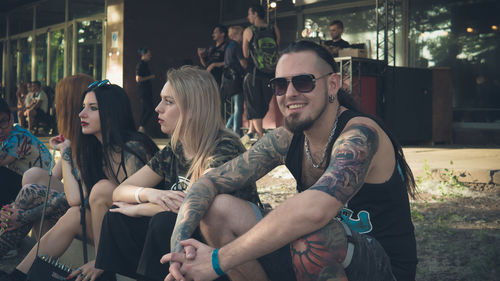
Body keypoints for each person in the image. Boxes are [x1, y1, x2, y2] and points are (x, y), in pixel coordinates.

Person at [162, 41, 418, 281]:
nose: (290, 93)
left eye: (304, 82)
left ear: (332, 85)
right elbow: (209, 182)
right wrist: (178, 250)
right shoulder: (288, 138)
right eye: (280, 85)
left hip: (382, 268)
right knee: (217, 208)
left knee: (315, 235)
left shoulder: (360, 134)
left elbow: (315, 210)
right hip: (311, 258)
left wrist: (217, 261)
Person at [95, 66, 261, 281]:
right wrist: (151, 194)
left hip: (224, 249)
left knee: (162, 221)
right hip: (185, 239)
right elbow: (120, 191)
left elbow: (194, 206)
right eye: (161, 100)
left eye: (168, 101)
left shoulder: (224, 147)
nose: (157, 108)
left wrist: (140, 209)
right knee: (116, 216)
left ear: (192, 108)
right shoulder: (177, 148)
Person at [2, 81, 158, 281]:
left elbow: (140, 210)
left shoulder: (134, 149)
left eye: (92, 108)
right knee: (75, 212)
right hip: (110, 228)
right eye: (83, 107)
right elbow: (75, 199)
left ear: (111, 113)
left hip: (139, 236)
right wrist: (66, 151)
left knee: (101, 190)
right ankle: (18, 275)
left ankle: (105, 264)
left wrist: (25, 215)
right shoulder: (93, 148)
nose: (81, 114)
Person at [0, 74, 94, 261]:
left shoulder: (92, 143)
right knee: (32, 178)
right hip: (70, 204)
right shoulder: (76, 140)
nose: (56, 107)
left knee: (30, 180)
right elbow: (51, 179)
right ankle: (33, 260)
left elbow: (78, 198)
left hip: (89, 213)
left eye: (59, 102)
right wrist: (14, 207)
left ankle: (11, 249)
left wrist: (24, 214)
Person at [0, 97, 52, 208]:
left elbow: (2, 161)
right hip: (31, 185)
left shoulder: (18, 137)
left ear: (12, 120)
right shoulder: (10, 135)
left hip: (44, 192)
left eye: (3, 121)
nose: (0, 130)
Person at [242, 4, 280, 140]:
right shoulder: (273, 28)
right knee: (264, 104)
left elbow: (245, 54)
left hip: (254, 73)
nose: (248, 17)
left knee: (253, 104)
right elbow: (277, 47)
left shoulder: (248, 31)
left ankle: (260, 136)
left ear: (255, 14)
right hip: (270, 74)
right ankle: (253, 131)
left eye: (249, 14)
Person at [223, 26, 247, 136]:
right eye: (242, 34)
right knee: (238, 108)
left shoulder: (228, 47)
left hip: (229, 80)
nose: (243, 37)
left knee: (237, 108)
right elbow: (243, 63)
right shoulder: (236, 46)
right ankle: (235, 132)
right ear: (236, 35)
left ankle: (227, 129)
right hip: (237, 79)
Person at [136, 48, 155, 134]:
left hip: (147, 91)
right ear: (143, 55)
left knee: (145, 110)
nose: (150, 56)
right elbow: (138, 79)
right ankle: (141, 127)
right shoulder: (140, 65)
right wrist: (150, 77)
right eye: (148, 54)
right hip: (144, 91)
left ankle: (141, 129)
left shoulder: (146, 65)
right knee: (149, 109)